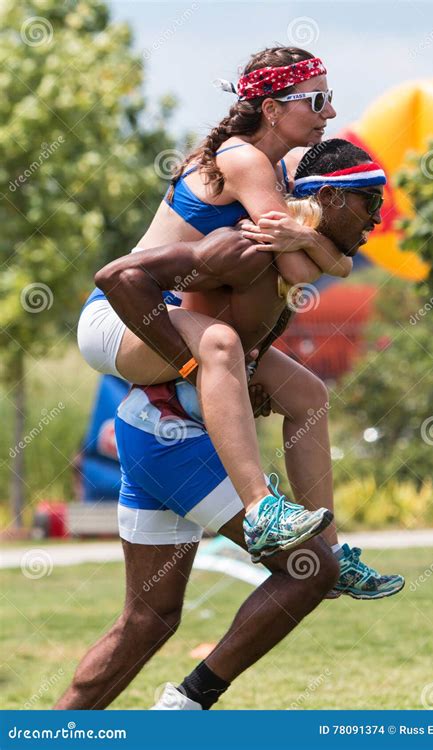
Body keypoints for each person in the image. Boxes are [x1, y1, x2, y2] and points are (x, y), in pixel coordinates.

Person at [54, 142, 404, 712]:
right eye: (369, 203)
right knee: (310, 569)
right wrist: (192, 366)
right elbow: (119, 277)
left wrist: (241, 371)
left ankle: (52, 735)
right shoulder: (244, 248)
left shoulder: (297, 258)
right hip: (172, 434)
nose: (375, 220)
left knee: (148, 621)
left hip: (160, 433)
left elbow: (305, 285)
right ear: (331, 198)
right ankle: (186, 707)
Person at [77, 46, 350, 559]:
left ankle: (333, 555)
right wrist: (314, 244)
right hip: (120, 317)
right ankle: (260, 508)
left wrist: (309, 242)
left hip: (164, 317)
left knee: (307, 395)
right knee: (221, 343)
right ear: (272, 109)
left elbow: (324, 264)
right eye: (317, 100)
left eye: (329, 99)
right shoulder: (246, 160)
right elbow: (295, 272)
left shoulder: (277, 169)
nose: (330, 113)